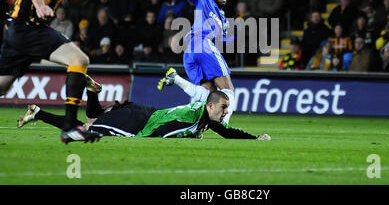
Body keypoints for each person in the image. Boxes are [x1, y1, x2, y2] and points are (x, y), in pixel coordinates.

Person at [0, 0, 110, 143]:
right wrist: (40, 4)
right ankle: (69, 126)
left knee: (2, 84)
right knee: (79, 59)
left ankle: (70, 126)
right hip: (26, 26)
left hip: (20, 30)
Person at [18, 72, 271, 141]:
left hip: (143, 111)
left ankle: (39, 112)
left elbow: (226, 131)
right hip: (138, 122)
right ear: (211, 105)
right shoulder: (195, 119)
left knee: (93, 115)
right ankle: (44, 112)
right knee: (86, 127)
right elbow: (166, 132)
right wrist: (191, 137)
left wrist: (254, 137)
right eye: (224, 108)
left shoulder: (204, 117)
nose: (226, 113)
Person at [177, 0, 235, 123]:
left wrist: (234, 34)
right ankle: (224, 124)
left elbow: (226, 41)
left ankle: (194, 124)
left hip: (192, 51)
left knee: (208, 94)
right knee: (228, 88)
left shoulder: (223, 18)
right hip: (201, 45)